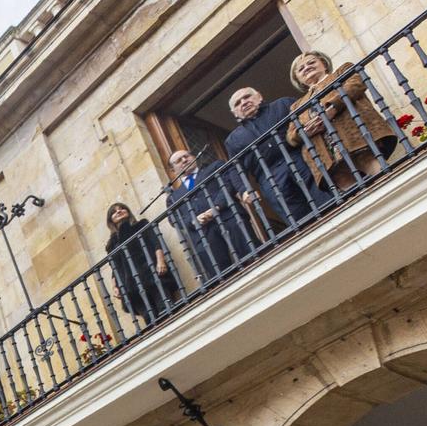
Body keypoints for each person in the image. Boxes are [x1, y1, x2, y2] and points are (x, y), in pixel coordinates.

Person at [285, 50, 398, 196]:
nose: (306, 67)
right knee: (345, 183)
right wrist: (304, 132)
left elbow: (355, 84)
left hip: (355, 135)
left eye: (311, 62)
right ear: (298, 79)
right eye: (301, 69)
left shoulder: (342, 71)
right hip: (326, 153)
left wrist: (333, 107)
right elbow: (290, 135)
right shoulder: (297, 106)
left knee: (371, 163)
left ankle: (395, 193)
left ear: (324, 64)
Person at [223, 85, 313, 232]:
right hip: (270, 178)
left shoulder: (283, 104)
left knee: (325, 197)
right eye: (238, 103)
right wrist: (244, 189)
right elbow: (235, 168)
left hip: (301, 158)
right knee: (300, 221)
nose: (244, 102)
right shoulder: (232, 139)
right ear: (235, 113)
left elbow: (306, 118)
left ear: (259, 96)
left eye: (247, 97)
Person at [164, 147, 250, 282]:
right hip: (204, 236)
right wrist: (193, 221)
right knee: (221, 277)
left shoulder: (214, 167)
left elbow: (227, 184)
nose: (184, 160)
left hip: (231, 220)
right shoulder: (173, 197)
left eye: (186, 156)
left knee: (250, 256)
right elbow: (175, 219)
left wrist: (216, 207)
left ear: (193, 157)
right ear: (173, 170)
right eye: (179, 160)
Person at [104, 201, 181, 327]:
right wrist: (115, 287)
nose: (118, 211)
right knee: (149, 318)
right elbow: (115, 267)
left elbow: (156, 242)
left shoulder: (141, 225)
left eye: (122, 208)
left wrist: (160, 261)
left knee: (165, 307)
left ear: (127, 211)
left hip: (151, 273)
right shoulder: (111, 243)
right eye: (114, 212)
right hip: (130, 285)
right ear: (110, 220)